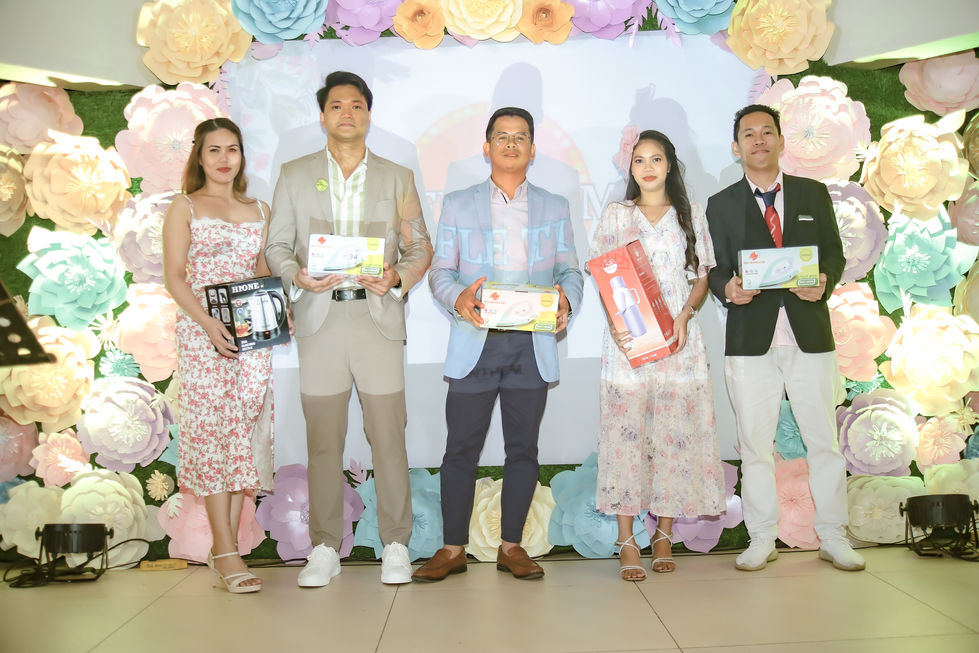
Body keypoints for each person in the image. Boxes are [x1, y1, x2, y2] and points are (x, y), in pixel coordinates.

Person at [265, 71, 433, 587]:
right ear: (323, 116)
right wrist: (296, 276)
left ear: (368, 114)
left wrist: (397, 277)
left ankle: (396, 543)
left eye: (356, 105)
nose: (347, 113)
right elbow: (277, 246)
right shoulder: (294, 174)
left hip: (376, 320)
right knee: (323, 441)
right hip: (320, 322)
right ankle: (324, 547)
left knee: (388, 437)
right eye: (337, 105)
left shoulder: (397, 177)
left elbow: (419, 246)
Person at [414, 107, 584, 582]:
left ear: (532, 149)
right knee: (459, 450)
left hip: (530, 345)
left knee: (523, 450)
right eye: (502, 137)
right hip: (476, 342)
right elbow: (441, 271)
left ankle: (512, 546)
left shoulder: (555, 205)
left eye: (520, 137)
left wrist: (567, 299)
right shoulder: (458, 203)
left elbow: (571, 270)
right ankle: (452, 549)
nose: (511, 144)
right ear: (487, 147)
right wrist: (458, 297)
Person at [705, 104, 864, 572]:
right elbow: (715, 267)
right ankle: (761, 537)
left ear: (780, 140)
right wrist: (728, 288)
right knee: (754, 444)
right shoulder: (720, 203)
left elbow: (832, 255)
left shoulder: (812, 193)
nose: (759, 140)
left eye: (767, 131)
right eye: (748, 133)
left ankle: (833, 535)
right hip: (750, 339)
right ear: (736, 147)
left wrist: (824, 280)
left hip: (808, 333)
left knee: (823, 441)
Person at [590, 130, 726, 581]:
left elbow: (701, 276)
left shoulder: (691, 214)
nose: (647, 168)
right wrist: (616, 321)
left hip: (678, 341)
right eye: (639, 160)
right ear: (630, 168)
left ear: (670, 165)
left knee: (674, 434)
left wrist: (685, 315)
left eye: (656, 159)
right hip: (629, 341)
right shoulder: (617, 214)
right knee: (625, 436)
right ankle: (627, 540)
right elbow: (604, 274)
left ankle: (664, 535)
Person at [163, 117, 275, 594]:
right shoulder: (184, 206)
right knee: (212, 437)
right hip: (202, 336)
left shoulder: (260, 209)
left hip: (251, 337)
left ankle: (223, 549)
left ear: (241, 155)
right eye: (214, 150)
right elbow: (174, 276)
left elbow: (263, 271)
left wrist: (278, 314)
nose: (224, 158)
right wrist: (208, 323)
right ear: (199, 156)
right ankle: (227, 552)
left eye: (232, 149)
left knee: (240, 437)